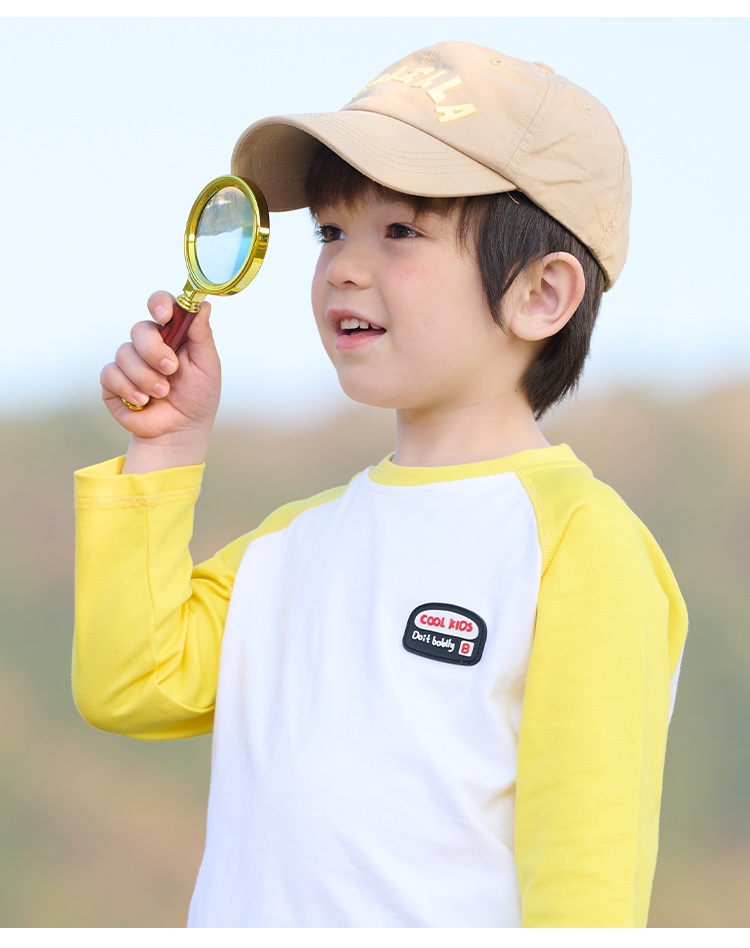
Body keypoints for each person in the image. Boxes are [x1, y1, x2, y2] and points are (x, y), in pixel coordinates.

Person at [73, 41, 688, 928]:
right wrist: (165, 449)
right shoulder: (291, 542)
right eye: (330, 232)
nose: (342, 268)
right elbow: (131, 682)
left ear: (540, 295)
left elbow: (586, 872)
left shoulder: (581, 543)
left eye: (400, 231)